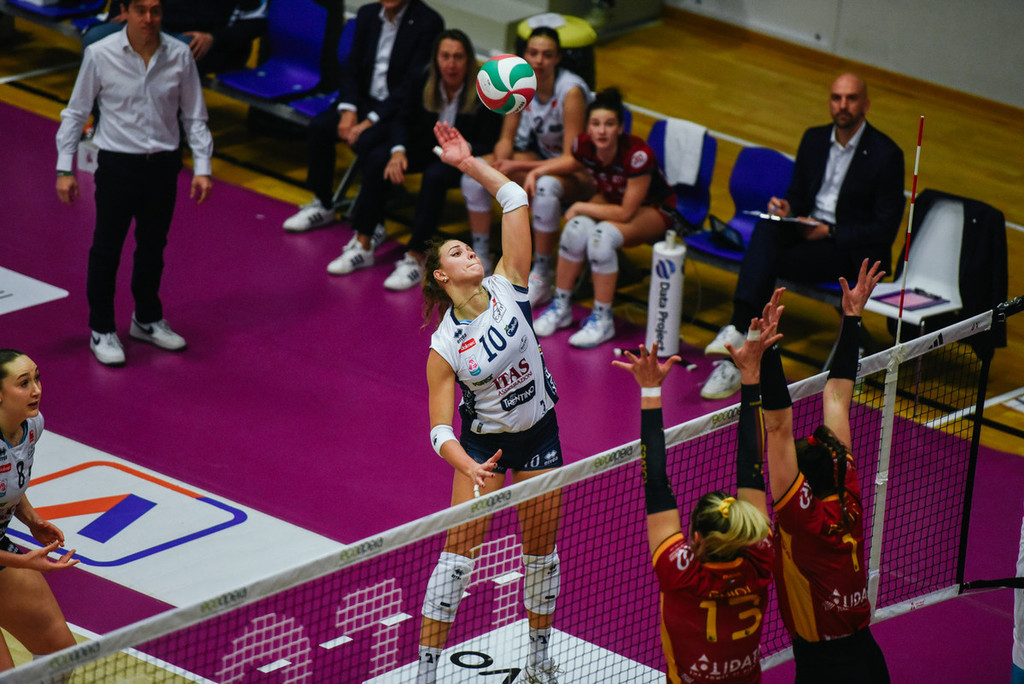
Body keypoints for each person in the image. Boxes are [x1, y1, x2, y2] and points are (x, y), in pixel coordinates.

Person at [416, 122, 562, 684]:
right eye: (457, 252)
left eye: (469, 246)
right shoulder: (444, 347)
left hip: (541, 434)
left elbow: (515, 196)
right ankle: (427, 674)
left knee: (541, 557)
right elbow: (438, 430)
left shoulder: (510, 284)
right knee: (457, 563)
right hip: (484, 451)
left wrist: (467, 163)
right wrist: (468, 466)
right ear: (442, 275)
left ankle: (540, 658)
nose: (470, 253)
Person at [701, 73, 905, 400]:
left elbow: (884, 228)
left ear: (865, 104)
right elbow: (797, 193)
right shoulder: (814, 139)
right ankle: (739, 330)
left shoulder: (886, 155)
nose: (843, 105)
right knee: (767, 227)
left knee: (765, 261)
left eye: (851, 98)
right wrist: (787, 208)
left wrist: (830, 230)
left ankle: (739, 354)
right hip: (807, 232)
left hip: (845, 248)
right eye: (836, 97)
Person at [751, 263, 891, 683]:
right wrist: (852, 318)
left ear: (805, 486)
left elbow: (778, 426)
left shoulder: (803, 518)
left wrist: (768, 350)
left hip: (826, 669)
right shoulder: (846, 489)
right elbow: (837, 396)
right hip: (867, 656)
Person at [56, 0, 214, 367]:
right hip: (117, 164)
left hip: (164, 165)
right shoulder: (100, 54)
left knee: (153, 246)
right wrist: (64, 169)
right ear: (124, 11)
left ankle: (146, 318)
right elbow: (76, 112)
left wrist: (203, 167)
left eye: (155, 10)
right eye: (140, 10)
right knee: (106, 249)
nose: (149, 18)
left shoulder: (180, 56)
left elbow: (194, 116)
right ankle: (101, 328)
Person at [614, 335, 775, 683]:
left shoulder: (679, 571)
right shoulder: (760, 555)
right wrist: (751, 376)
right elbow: (752, 467)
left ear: (696, 537)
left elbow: (656, 482)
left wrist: (650, 390)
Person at [325, 29, 502, 283]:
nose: (451, 64)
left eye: (458, 57)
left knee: (434, 176)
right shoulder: (423, 78)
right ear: (436, 59)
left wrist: (462, 149)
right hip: (426, 147)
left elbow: (489, 141)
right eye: (445, 56)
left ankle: (416, 256)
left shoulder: (483, 92)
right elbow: (403, 119)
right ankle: (363, 243)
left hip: (462, 157)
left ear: (469, 61)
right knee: (378, 158)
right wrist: (398, 150)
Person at [527, 88, 677, 348]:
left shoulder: (638, 155)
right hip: (613, 200)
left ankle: (603, 319)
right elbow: (571, 164)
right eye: (596, 124)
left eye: (609, 124)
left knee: (601, 238)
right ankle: (561, 306)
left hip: (655, 208)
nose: (602, 131)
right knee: (574, 230)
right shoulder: (583, 145)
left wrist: (581, 206)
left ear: (620, 128)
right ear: (588, 127)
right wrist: (534, 171)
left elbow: (626, 213)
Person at [281, 0, 443, 234]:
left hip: (397, 110)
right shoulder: (368, 14)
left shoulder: (428, 23)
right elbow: (352, 66)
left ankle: (374, 222)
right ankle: (322, 203)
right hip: (363, 101)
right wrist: (349, 110)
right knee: (320, 127)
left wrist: (370, 121)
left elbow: (413, 85)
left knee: (369, 142)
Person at [459, 26, 591, 295]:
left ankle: (542, 272)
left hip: (580, 174)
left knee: (545, 188)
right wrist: (498, 166)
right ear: (525, 55)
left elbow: (572, 160)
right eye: (533, 53)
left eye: (547, 54)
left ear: (558, 58)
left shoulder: (571, 92)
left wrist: (520, 167)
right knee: (475, 175)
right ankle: (482, 257)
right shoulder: (520, 82)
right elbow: (506, 138)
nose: (539, 60)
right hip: (541, 160)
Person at [0, 350, 80, 672]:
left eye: (37, 378)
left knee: (60, 656)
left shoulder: (32, 427)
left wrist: (32, 520)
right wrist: (24, 561)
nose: (36, 390)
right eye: (23, 383)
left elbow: (9, 485)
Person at [81, 0, 269, 75]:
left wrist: (214, 38)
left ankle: (162, 134)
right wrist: (124, 11)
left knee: (172, 53)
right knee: (97, 39)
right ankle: (102, 123)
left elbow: (256, 22)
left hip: (206, 41)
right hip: (155, 26)